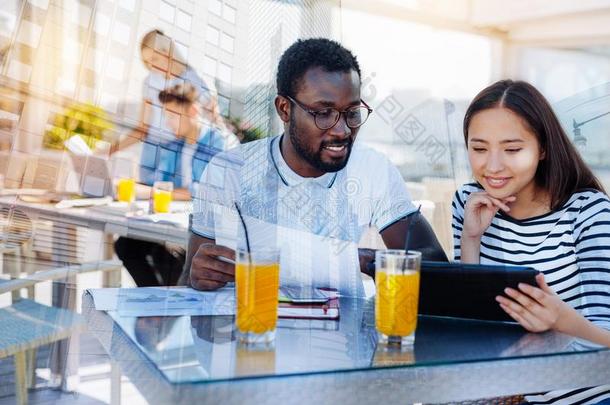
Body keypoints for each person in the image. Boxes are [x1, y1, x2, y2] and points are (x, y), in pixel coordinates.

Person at [180, 38, 447, 294]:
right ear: (284, 109)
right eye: (323, 113)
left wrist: (367, 260)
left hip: (342, 338)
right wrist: (199, 276)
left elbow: (435, 264)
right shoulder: (229, 170)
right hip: (252, 333)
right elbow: (190, 279)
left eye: (352, 113)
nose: (342, 130)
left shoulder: (372, 168)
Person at [452, 79, 610, 404]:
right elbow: (470, 323)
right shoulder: (469, 202)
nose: (492, 166)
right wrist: (471, 238)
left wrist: (561, 320)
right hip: (507, 393)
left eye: (512, 149)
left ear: (542, 148)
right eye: (479, 148)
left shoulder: (588, 212)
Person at [114, 83, 237, 286]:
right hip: (177, 219)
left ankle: (174, 304)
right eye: (167, 116)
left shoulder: (220, 142)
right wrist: (135, 183)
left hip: (214, 225)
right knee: (127, 245)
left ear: (193, 111)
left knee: (166, 252)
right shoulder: (176, 146)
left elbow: (213, 191)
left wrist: (156, 191)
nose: (169, 123)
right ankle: (157, 306)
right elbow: (159, 181)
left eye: (173, 116)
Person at [110, 29, 230, 155]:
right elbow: (142, 127)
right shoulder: (149, 81)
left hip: (177, 150)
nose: (151, 66)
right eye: (147, 62)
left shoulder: (192, 79)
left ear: (167, 53)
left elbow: (213, 118)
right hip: (151, 148)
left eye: (154, 59)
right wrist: (111, 150)